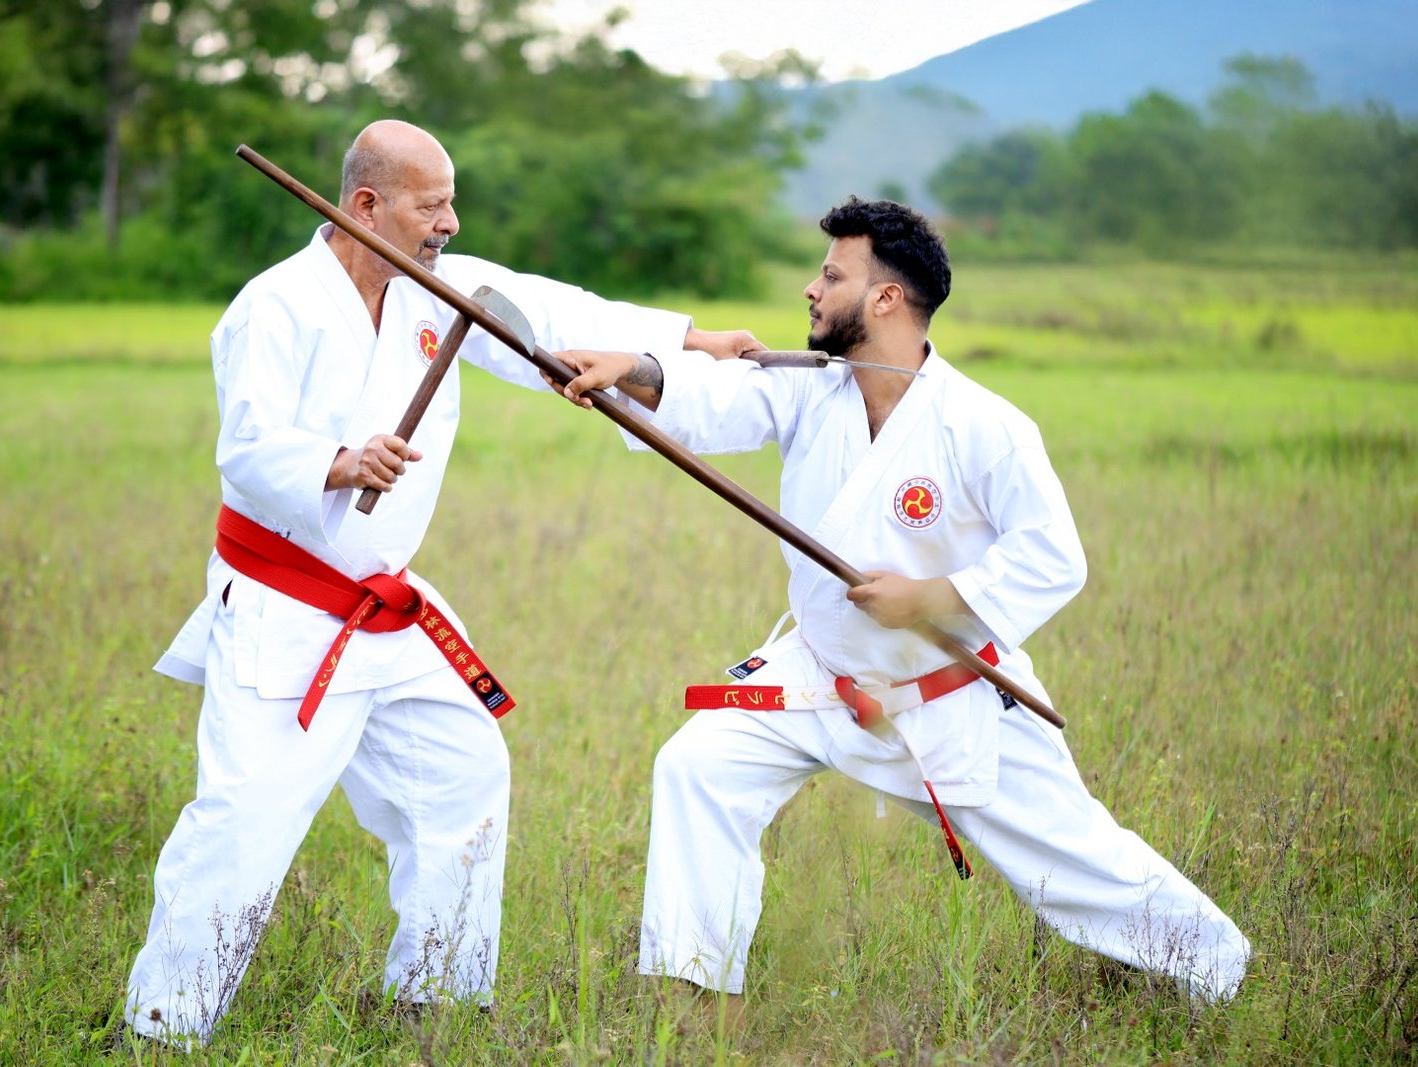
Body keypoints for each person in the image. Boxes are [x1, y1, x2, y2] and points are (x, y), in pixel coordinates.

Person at [125, 119, 759, 1045]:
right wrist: (341, 461)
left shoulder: (439, 290)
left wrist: (689, 342)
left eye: (451, 202)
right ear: (366, 204)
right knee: (246, 817)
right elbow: (249, 447)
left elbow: (548, 310)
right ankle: (161, 1024)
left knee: (462, 772)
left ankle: (438, 994)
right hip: (289, 609)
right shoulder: (276, 306)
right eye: (433, 204)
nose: (451, 223)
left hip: (387, 605)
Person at [552, 196, 1251, 1006]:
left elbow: (1055, 556)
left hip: (946, 694)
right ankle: (692, 991)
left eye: (831, 274)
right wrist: (630, 370)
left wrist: (932, 596)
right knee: (697, 767)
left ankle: (1219, 968)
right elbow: (711, 402)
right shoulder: (810, 388)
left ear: (885, 298)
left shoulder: (984, 423)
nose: (812, 289)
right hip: (818, 675)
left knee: (1076, 862)